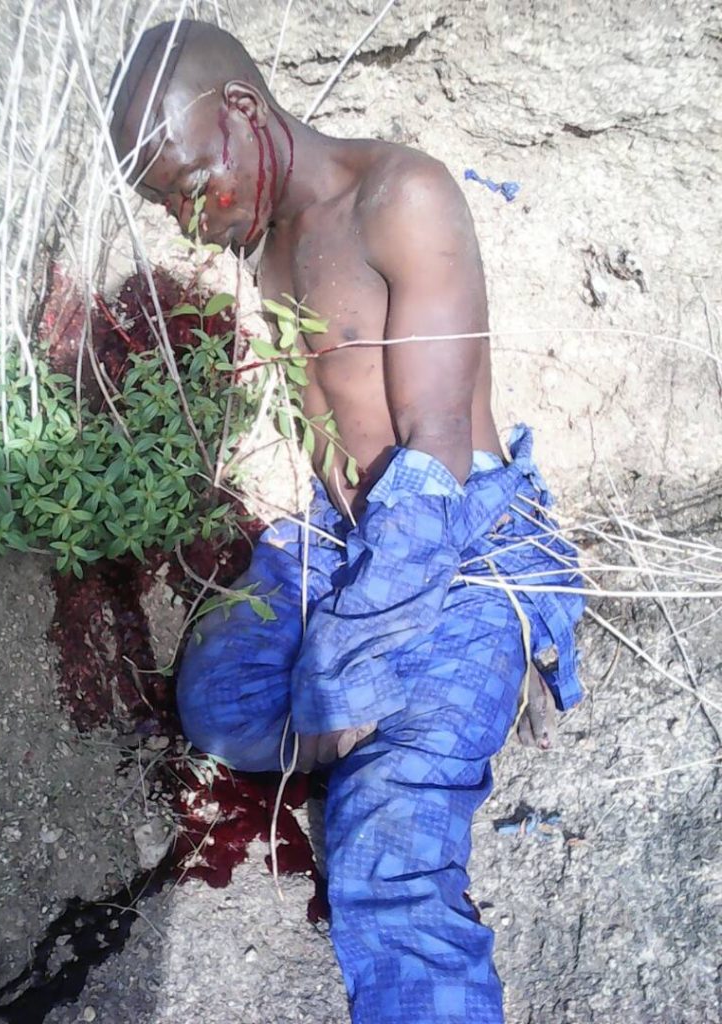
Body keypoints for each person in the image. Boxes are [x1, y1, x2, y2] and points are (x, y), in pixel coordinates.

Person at [110, 19, 585, 1024]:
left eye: (192, 186)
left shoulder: (400, 198)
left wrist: (350, 664)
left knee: (385, 846)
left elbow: (435, 451)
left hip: (458, 541)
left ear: (243, 111)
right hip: (343, 539)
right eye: (166, 207)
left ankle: (444, 706)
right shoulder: (265, 238)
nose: (190, 222)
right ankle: (431, 709)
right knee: (219, 698)